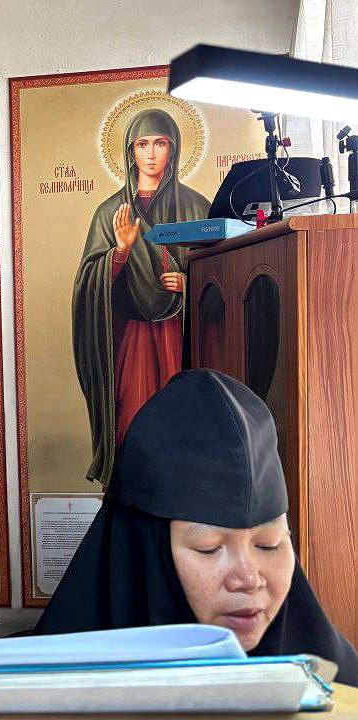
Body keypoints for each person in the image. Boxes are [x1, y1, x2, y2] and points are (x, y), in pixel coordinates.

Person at [31, 369, 358, 685]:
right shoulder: (34, 693)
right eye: (209, 548)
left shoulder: (343, 691)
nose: (248, 579)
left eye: (269, 544)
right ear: (145, 557)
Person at [73, 109, 210, 485]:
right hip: (132, 339)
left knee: (181, 419)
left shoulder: (196, 208)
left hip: (179, 337)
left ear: (173, 148)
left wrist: (190, 282)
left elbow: (220, 272)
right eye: (142, 144)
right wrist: (118, 253)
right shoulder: (109, 213)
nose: (150, 153)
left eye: (160, 143)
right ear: (130, 151)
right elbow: (88, 285)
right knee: (132, 418)